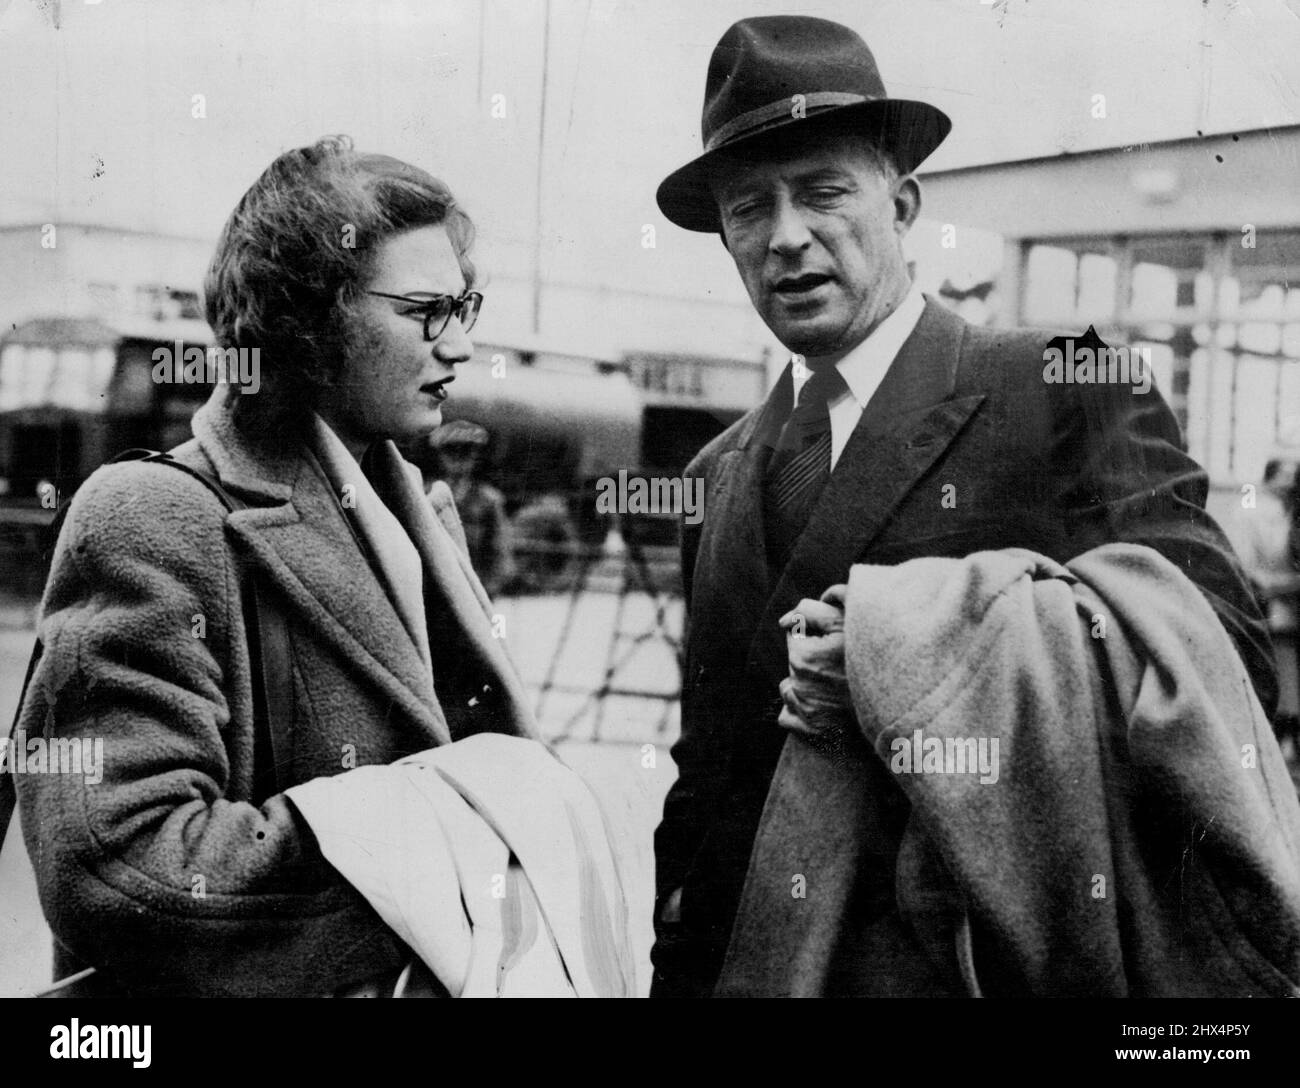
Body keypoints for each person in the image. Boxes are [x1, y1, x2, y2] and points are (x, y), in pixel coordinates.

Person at [650, 16, 1282, 997]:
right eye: (746, 208)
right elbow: (703, 783)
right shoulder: (717, 473)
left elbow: (1216, 657)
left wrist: (917, 638)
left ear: (901, 202)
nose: (784, 236)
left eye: (823, 192)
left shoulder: (1065, 382)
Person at [11, 136, 630, 997]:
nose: (459, 347)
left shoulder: (417, 515)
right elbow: (118, 866)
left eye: (465, 306)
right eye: (424, 311)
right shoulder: (155, 514)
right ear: (310, 317)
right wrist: (442, 849)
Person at [1235, 455, 1300, 750]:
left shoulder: (1288, 512)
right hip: (1270, 607)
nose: (1290, 480)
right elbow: (1247, 566)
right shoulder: (1252, 510)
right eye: (1286, 474)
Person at [412, 419, 514, 597]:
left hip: (473, 588)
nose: (458, 459)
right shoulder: (423, 493)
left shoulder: (489, 500)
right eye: (451, 452)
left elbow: (499, 548)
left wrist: (488, 589)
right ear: (441, 456)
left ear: (474, 457)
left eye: (466, 453)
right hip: (430, 587)